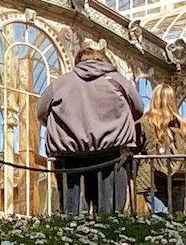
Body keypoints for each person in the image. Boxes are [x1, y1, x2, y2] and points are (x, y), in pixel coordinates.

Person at [37, 45, 143, 215]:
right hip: (112, 155)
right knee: (110, 216)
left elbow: (42, 113)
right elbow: (138, 110)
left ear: (78, 62)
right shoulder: (119, 81)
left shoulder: (60, 84)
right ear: (102, 60)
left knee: (73, 216)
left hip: (69, 157)